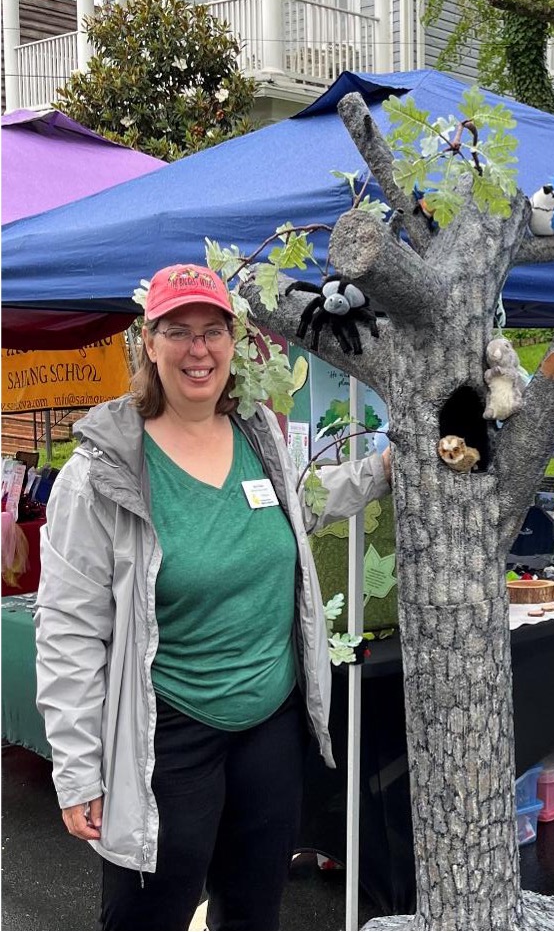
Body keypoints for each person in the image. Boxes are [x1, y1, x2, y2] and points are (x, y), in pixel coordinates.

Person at [35, 264, 392, 931]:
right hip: (166, 733)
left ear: (234, 342)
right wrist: (78, 771)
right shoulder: (102, 471)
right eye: (178, 331)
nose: (198, 350)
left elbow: (302, 503)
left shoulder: (260, 437)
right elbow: (67, 628)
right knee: (151, 914)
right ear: (149, 342)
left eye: (212, 332)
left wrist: (381, 471)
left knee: (254, 911)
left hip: (269, 724)